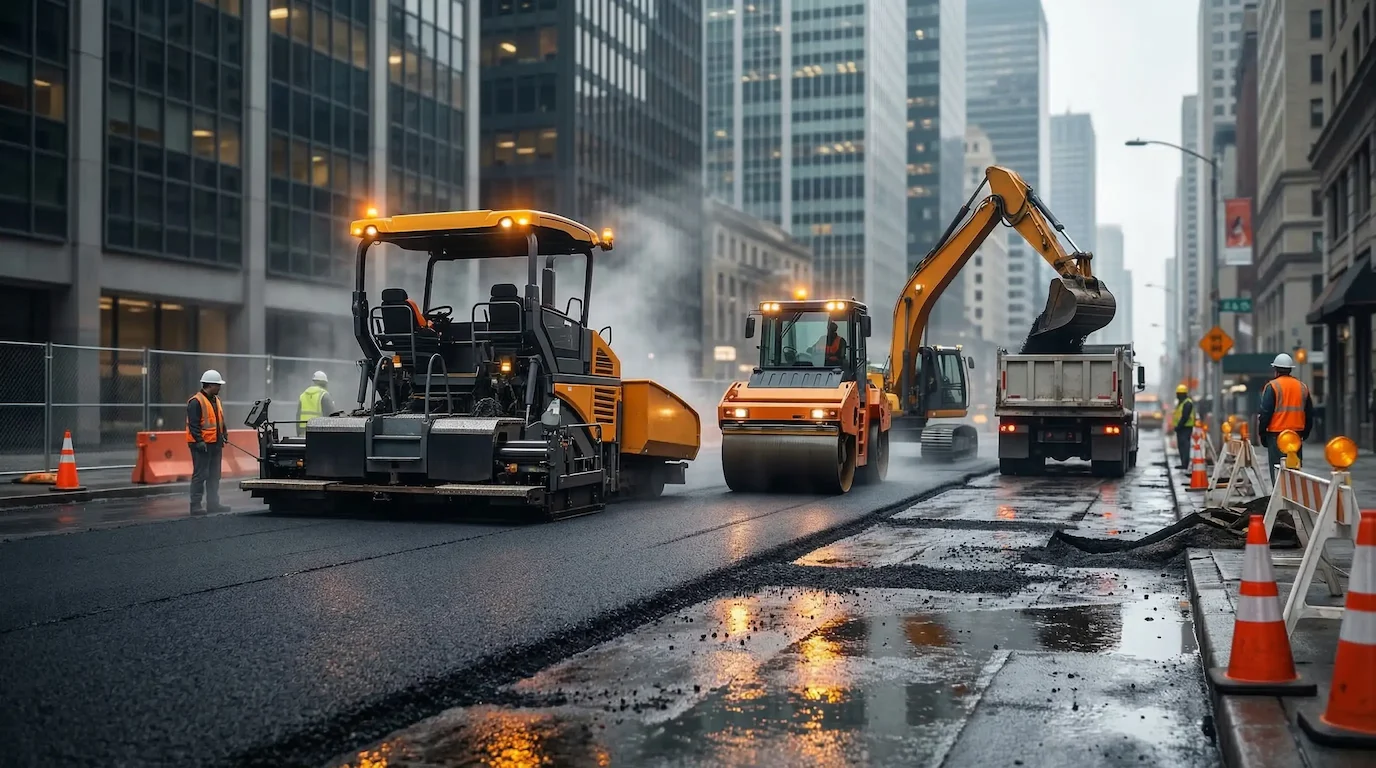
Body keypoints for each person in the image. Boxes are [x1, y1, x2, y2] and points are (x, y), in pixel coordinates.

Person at [1256, 353, 1315, 480]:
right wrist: (1305, 433)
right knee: (1294, 471)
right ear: (1290, 370)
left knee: (1278, 471)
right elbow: (1309, 413)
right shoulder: (1302, 387)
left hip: (1276, 436)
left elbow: (1265, 413)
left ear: (1276, 370)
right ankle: (1294, 491)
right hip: (1295, 435)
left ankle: (1279, 492)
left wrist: (1262, 434)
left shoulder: (1272, 386)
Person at [187, 369, 230, 514]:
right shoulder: (196, 402)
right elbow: (193, 425)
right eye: (218, 385)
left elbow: (220, 420)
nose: (220, 387)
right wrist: (199, 441)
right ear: (210, 385)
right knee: (200, 475)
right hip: (202, 446)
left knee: (214, 476)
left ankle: (213, 504)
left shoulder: (216, 400)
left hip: (215, 444)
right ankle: (195, 505)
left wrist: (224, 433)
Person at [296, 370, 335, 436]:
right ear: (324, 383)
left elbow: (298, 417)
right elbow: (332, 418)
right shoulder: (324, 395)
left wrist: (299, 434)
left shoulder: (302, 396)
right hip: (319, 433)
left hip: (303, 433)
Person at [1172, 384, 1196, 470]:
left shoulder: (1187, 403)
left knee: (1185, 445)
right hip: (1181, 428)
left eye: (1179, 394)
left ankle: (1185, 464)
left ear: (1183, 394)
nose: (1177, 396)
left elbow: (1185, 416)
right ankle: (1183, 463)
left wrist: (1179, 426)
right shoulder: (1181, 403)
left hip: (1185, 428)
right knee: (1181, 446)